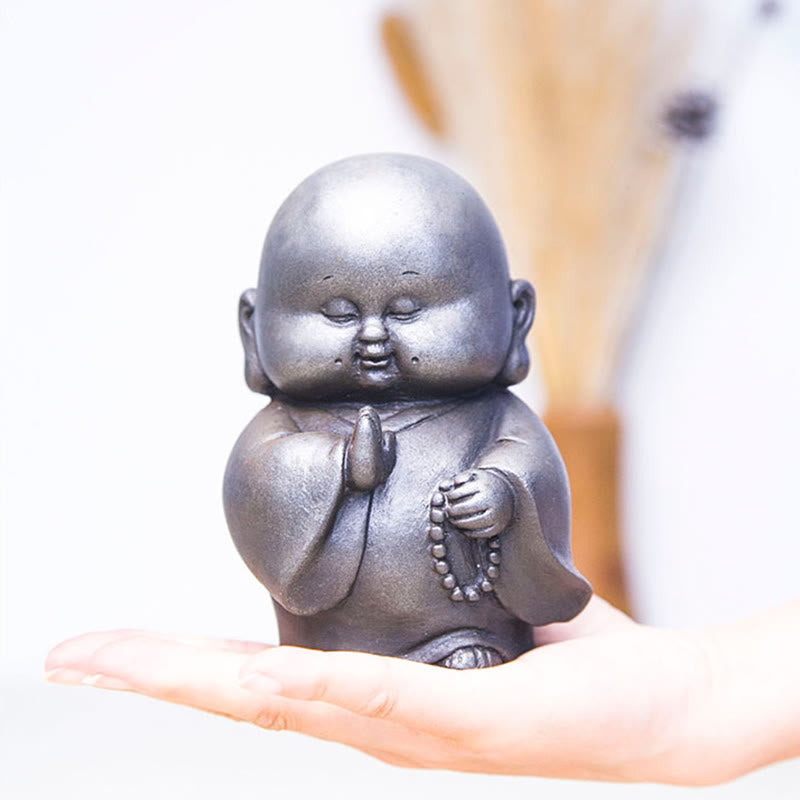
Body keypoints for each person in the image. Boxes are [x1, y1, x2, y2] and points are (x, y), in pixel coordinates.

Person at [45, 595, 800, 785]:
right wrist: (711, 686)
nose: (374, 339)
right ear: (255, 329)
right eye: (336, 313)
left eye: (411, 310)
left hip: (471, 630)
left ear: (516, 322)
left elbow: (531, 537)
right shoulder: (280, 437)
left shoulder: (498, 428)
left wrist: (502, 501)